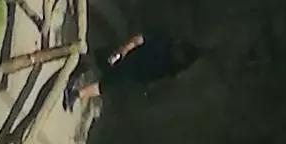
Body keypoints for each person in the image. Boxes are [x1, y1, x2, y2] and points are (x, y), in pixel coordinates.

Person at [70, 29, 205, 98]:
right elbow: (141, 38)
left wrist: (145, 85)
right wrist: (124, 50)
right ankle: (74, 67)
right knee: (97, 59)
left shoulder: (172, 68)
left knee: (104, 86)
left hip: (133, 74)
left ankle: (76, 95)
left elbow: (157, 79)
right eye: (181, 53)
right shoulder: (164, 42)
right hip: (129, 55)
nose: (179, 56)